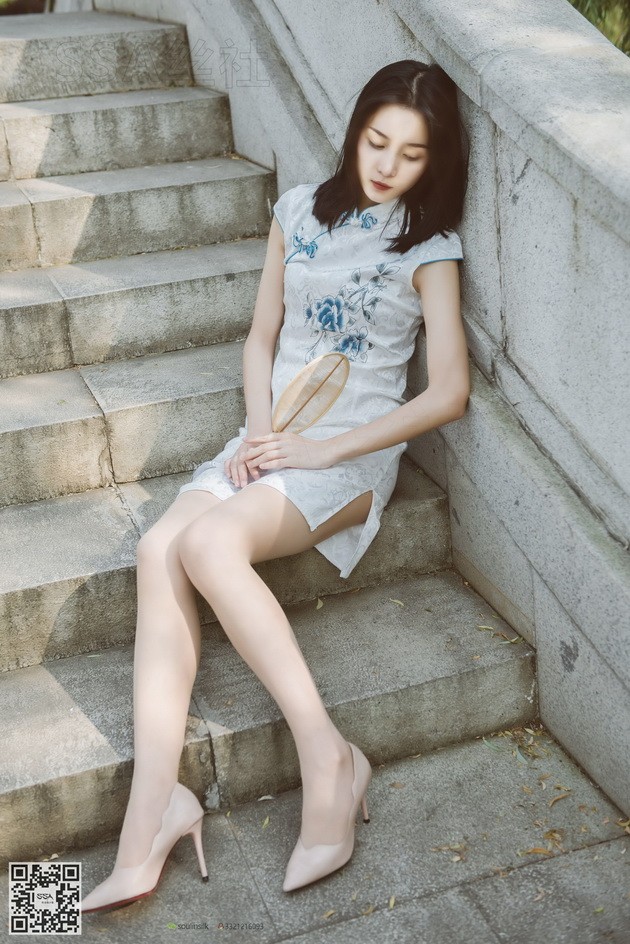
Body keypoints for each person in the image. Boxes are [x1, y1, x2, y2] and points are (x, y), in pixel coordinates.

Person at [80, 58, 470, 912]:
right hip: (268, 441)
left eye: (411, 154)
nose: (387, 165)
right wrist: (260, 435)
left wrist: (323, 455)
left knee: (210, 544)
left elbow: (448, 391)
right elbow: (262, 338)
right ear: (355, 131)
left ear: (434, 163)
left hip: (346, 460)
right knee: (159, 548)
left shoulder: (428, 248)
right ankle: (155, 807)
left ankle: (327, 755)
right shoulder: (298, 210)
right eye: (377, 142)